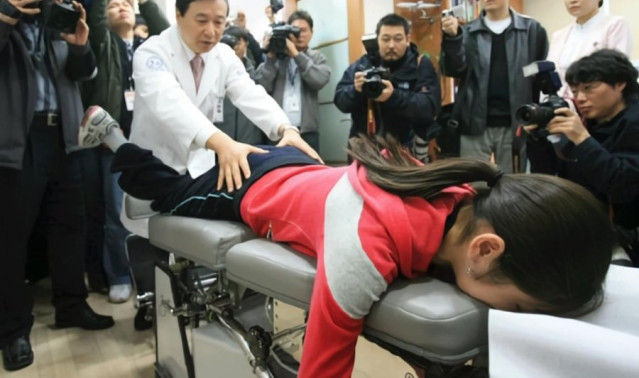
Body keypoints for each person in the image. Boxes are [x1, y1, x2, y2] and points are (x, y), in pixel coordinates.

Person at [79, 104, 614, 378]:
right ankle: (113, 137)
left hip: (304, 171)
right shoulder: (363, 249)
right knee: (167, 193)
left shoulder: (464, 196)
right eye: (517, 305)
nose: (510, 312)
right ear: (486, 249)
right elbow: (324, 364)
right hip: (253, 185)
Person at [123, 0, 320, 237]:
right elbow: (170, 103)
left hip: (199, 169)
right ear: (179, 14)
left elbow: (249, 92)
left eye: (218, 22)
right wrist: (222, 143)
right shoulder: (152, 52)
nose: (211, 31)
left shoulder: (223, 55)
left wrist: (285, 128)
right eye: (201, 20)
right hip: (156, 168)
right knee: (153, 244)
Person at [0, 0, 114, 372]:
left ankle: (72, 305)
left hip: (66, 138)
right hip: (17, 140)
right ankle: (13, 330)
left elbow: (84, 76)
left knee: (71, 226)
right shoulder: (8, 13)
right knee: (10, 240)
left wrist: (81, 46)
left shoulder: (60, 23)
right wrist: (4, 16)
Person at [79, 0, 170, 304]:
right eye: (113, 5)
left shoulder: (150, 48)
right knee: (117, 214)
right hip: (115, 145)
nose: (120, 8)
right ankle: (118, 274)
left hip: (153, 143)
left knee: (158, 213)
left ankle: (155, 277)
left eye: (125, 4)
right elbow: (97, 22)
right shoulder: (104, 44)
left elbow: (169, 34)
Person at [526, 49, 639, 265]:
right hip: (584, 223)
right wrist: (537, 141)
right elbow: (549, 174)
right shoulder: (589, 122)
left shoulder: (633, 122)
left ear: (620, 84)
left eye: (589, 88)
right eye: (575, 90)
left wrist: (582, 139)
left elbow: (623, 187)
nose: (580, 99)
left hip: (624, 233)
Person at [441, 0, 549, 173]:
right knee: (474, 182)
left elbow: (538, 73)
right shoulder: (467, 32)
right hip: (474, 122)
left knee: (511, 184)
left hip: (516, 122)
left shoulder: (531, 30)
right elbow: (453, 70)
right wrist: (453, 38)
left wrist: (535, 115)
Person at [334, 13, 441, 162]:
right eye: (385, 39)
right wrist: (356, 90)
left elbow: (429, 108)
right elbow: (340, 101)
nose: (391, 45)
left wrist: (393, 96)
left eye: (398, 39)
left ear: (407, 39)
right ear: (377, 39)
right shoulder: (362, 65)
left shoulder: (420, 65)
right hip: (365, 151)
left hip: (406, 152)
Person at [547, 0, 633, 100]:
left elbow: (614, 73)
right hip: (560, 105)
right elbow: (550, 76)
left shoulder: (614, 25)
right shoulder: (558, 36)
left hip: (596, 104)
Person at [256, 10, 331, 151]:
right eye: (295, 30)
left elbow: (319, 80)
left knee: (308, 165)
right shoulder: (275, 58)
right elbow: (261, 88)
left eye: (303, 30)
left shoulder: (317, 58)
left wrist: (296, 55)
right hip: (277, 130)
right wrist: (270, 58)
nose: (299, 35)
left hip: (307, 132)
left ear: (311, 33)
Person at [218, 25, 263, 144]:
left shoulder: (252, 68)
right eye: (230, 41)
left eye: (238, 41)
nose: (234, 46)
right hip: (222, 136)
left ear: (246, 43)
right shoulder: (216, 68)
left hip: (248, 135)